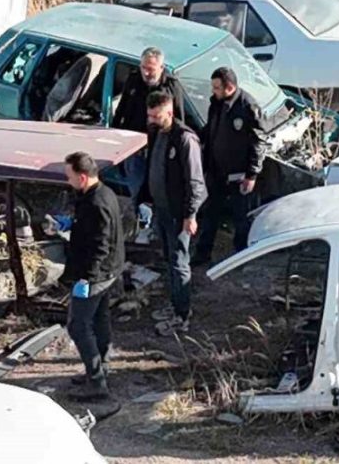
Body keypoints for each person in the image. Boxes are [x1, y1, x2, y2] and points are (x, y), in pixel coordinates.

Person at [139, 90, 206, 335]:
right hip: (163, 209)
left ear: (170, 112)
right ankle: (176, 302)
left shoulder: (185, 139)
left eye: (156, 116)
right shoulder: (158, 133)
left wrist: (190, 215)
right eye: (150, 116)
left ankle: (182, 315)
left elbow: (195, 182)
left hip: (179, 214)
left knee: (179, 262)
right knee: (169, 258)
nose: (152, 120)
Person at [58, 152, 124, 400]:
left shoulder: (96, 204)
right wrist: (72, 225)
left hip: (97, 274)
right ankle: (101, 368)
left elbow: (100, 245)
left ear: (83, 177)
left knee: (78, 325)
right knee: (99, 318)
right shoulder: (103, 193)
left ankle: (97, 382)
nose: (68, 181)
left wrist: (86, 278)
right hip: (109, 270)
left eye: (70, 177)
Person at [194, 67, 266, 265]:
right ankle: (202, 253)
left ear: (230, 87)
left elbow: (259, 142)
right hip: (216, 171)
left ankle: (242, 257)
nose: (213, 91)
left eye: (217, 87)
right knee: (210, 214)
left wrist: (252, 174)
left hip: (239, 174)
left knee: (240, 217)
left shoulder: (247, 106)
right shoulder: (216, 104)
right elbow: (211, 129)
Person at [112, 47, 186, 200]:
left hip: (159, 149)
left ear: (161, 68)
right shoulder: (134, 80)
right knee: (136, 190)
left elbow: (179, 120)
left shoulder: (171, 87)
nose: (146, 73)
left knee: (157, 193)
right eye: (143, 68)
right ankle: (141, 218)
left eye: (150, 69)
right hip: (134, 149)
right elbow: (121, 111)